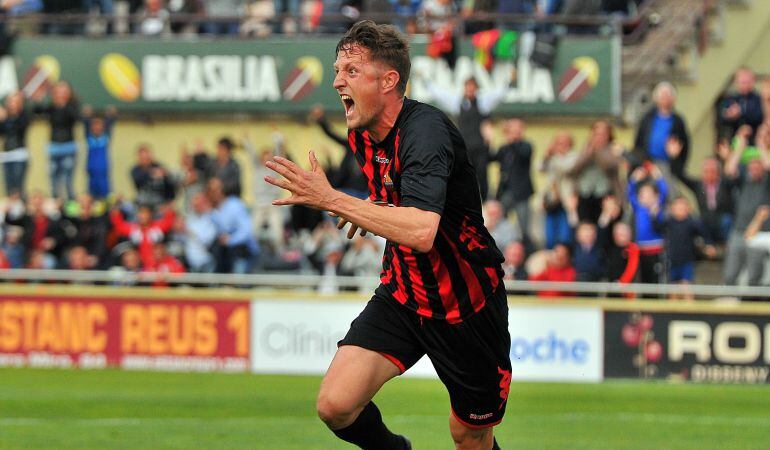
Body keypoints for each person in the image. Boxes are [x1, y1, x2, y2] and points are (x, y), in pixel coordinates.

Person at [264, 21, 510, 450]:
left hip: (465, 307)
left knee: (468, 435)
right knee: (335, 404)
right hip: (404, 294)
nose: (337, 80)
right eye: (337, 69)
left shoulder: (427, 133)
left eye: (351, 71)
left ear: (389, 80)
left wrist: (332, 199)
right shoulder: (362, 133)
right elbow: (400, 203)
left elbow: (421, 230)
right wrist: (375, 209)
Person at [722, 140, 770, 286]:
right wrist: (739, 150)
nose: (754, 169)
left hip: (759, 233)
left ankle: (752, 307)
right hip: (738, 231)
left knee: (754, 276)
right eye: (752, 167)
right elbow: (730, 171)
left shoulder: (766, 183)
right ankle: (730, 305)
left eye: (758, 166)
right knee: (730, 274)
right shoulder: (743, 182)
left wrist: (761, 146)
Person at [633, 81, 690, 184]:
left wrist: (677, 158)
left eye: (668, 95)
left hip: (668, 165)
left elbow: (685, 145)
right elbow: (638, 142)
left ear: (673, 99)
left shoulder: (678, 121)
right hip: (649, 163)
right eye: (662, 95)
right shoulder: (647, 118)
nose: (665, 98)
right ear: (656, 98)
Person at [655, 196, 715, 291]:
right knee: (673, 289)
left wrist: (709, 245)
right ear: (672, 208)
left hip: (687, 261)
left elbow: (704, 233)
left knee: (686, 287)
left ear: (688, 209)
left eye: (683, 206)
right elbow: (657, 227)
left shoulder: (692, 223)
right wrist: (655, 213)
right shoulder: (669, 222)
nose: (680, 209)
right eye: (678, 206)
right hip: (672, 260)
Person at [491, 118, 534, 243]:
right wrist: (488, 140)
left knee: (524, 228)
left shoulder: (526, 146)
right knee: (499, 224)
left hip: (521, 193)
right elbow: (491, 157)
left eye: (516, 130)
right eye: (511, 130)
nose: (513, 133)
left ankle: (524, 250)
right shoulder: (504, 148)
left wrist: (513, 141)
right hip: (505, 192)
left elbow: (523, 154)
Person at [35, 81, 80, 200]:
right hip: (53, 147)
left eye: (64, 91)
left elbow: (76, 118)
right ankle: (56, 203)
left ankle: (70, 204)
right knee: (53, 178)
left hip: (69, 146)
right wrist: (39, 100)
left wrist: (64, 105)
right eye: (58, 91)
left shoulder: (73, 105)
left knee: (67, 180)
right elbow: (37, 110)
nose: (61, 94)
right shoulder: (51, 106)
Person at [627, 164, 668, 284]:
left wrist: (658, 176)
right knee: (644, 279)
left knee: (656, 279)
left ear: (655, 195)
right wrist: (634, 179)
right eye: (642, 193)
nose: (644, 196)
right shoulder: (638, 207)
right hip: (641, 249)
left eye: (648, 193)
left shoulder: (658, 206)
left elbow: (664, 191)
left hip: (657, 249)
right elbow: (629, 194)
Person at [720, 67, 764, 144]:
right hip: (734, 141)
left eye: (748, 82)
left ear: (753, 81)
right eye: (743, 82)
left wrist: (741, 112)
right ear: (736, 82)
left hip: (755, 142)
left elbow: (760, 115)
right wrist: (729, 115)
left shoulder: (759, 99)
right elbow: (721, 118)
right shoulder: (730, 99)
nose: (745, 85)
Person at [82, 105, 117, 199]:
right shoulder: (89, 138)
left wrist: (110, 115)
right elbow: (85, 123)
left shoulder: (105, 138)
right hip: (92, 170)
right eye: (94, 125)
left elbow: (110, 124)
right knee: (91, 194)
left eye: (99, 125)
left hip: (103, 170)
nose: (97, 127)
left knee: (106, 193)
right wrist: (86, 116)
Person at [0, 91, 31, 196]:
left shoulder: (24, 115)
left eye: (15, 101)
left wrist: (12, 115)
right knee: (9, 187)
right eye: (10, 101)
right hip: (6, 155)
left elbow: (21, 128)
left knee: (18, 188)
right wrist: (2, 120)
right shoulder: (5, 118)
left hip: (19, 154)